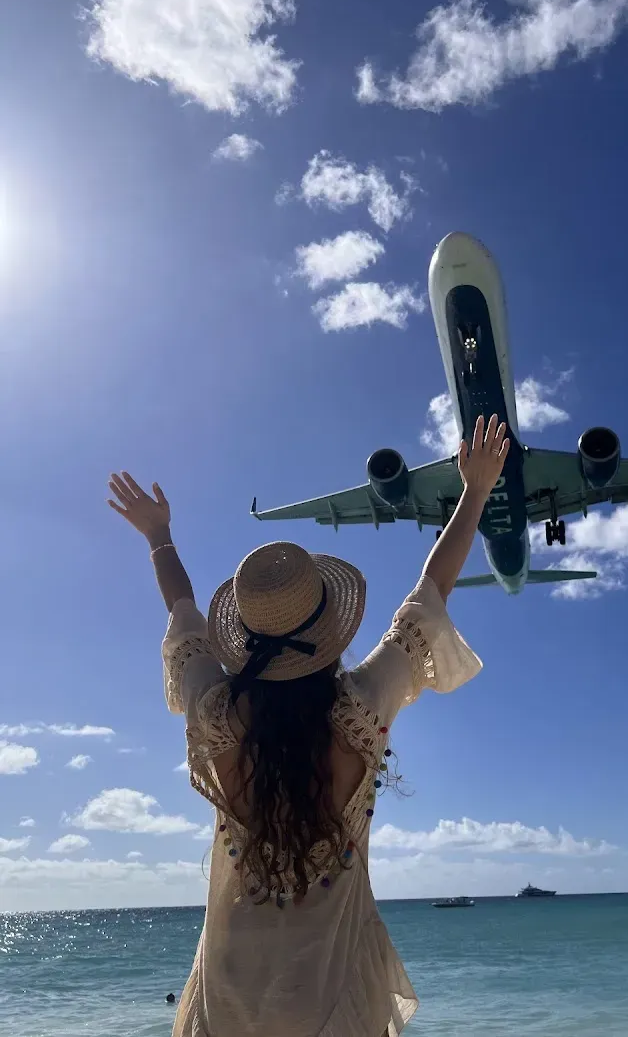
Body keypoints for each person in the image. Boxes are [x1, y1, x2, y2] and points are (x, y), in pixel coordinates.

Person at [108, 414, 510, 1037]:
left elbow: (182, 611)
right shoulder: (361, 709)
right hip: (331, 996)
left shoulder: (214, 711)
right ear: (328, 628)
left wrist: (158, 536)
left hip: (228, 994)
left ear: (244, 636)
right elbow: (431, 592)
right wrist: (476, 491)